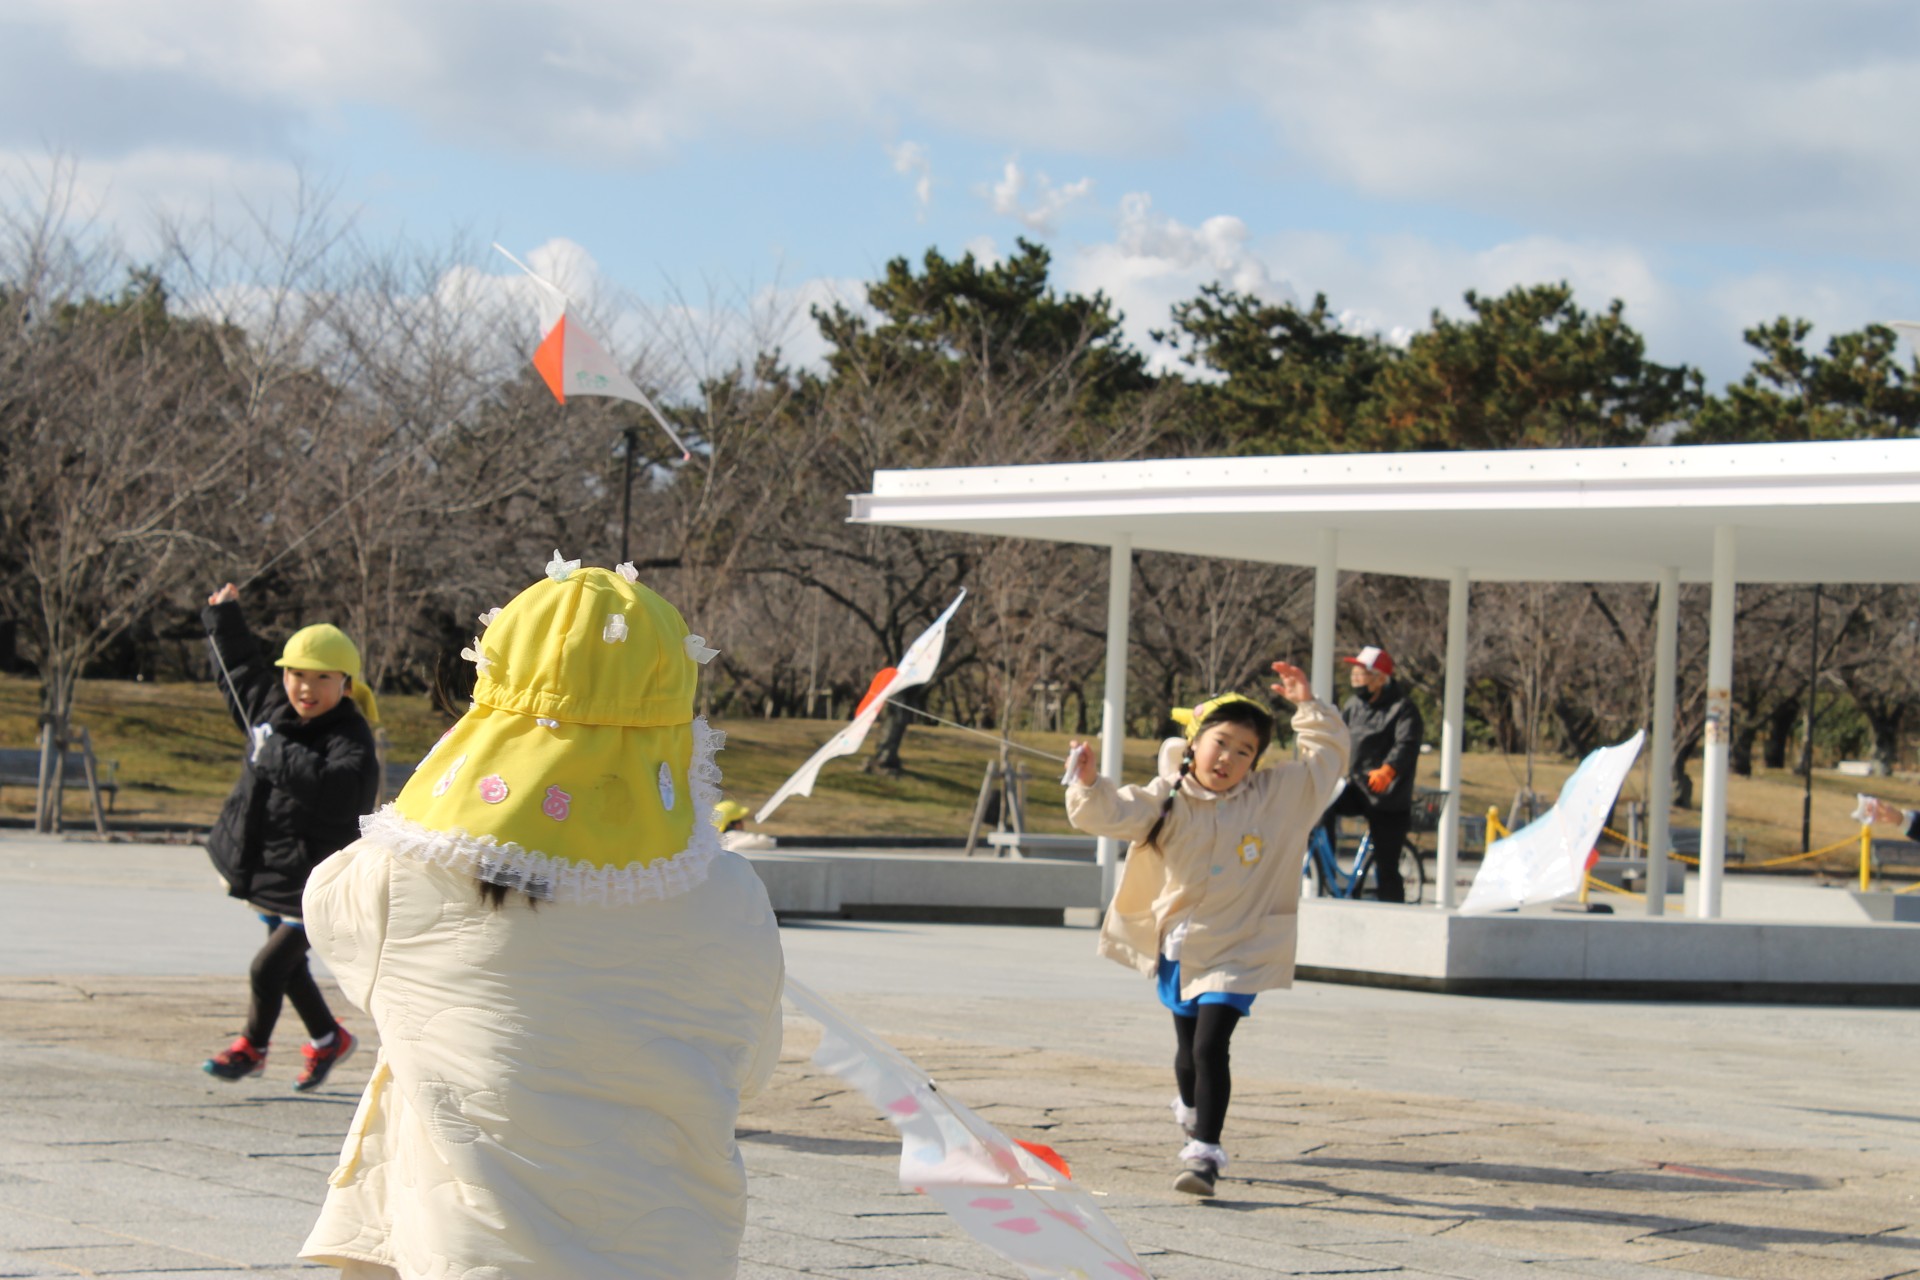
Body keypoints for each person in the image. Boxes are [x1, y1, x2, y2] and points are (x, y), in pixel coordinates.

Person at [298, 558, 786, 1280]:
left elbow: (328, 901)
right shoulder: (729, 890)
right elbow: (750, 1072)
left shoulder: (400, 878)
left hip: (474, 1250)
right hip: (671, 1246)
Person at [1063, 663, 1348, 1197]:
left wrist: (1307, 707)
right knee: (1188, 1045)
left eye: (1245, 751)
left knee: (1212, 1044)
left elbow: (1326, 762)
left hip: (1241, 945)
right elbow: (1111, 811)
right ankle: (1192, 1109)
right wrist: (1085, 783)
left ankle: (1204, 1155)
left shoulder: (1277, 797)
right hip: (1181, 943)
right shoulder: (1166, 798)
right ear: (1194, 743)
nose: (1229, 758)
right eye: (1221, 743)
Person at [199, 583, 380, 1091]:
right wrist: (224, 614)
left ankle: (251, 1047)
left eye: (322, 678)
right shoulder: (269, 705)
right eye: (297, 674)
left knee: (268, 968)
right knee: (288, 968)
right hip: (268, 865)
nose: (306, 688)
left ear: (345, 685)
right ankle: (329, 1039)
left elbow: (341, 790)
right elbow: (237, 669)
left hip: (317, 880)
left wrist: (275, 754)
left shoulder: (351, 737)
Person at [1322, 645, 1425, 903]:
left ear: (1380, 678)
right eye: (1353, 674)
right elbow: (1340, 735)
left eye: (1361, 674)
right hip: (1356, 787)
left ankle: (1394, 915)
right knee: (1323, 805)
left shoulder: (1403, 708)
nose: (1355, 679)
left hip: (1387, 797)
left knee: (1386, 866)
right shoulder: (1354, 705)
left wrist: (1389, 770)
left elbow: (1407, 745)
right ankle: (1326, 872)